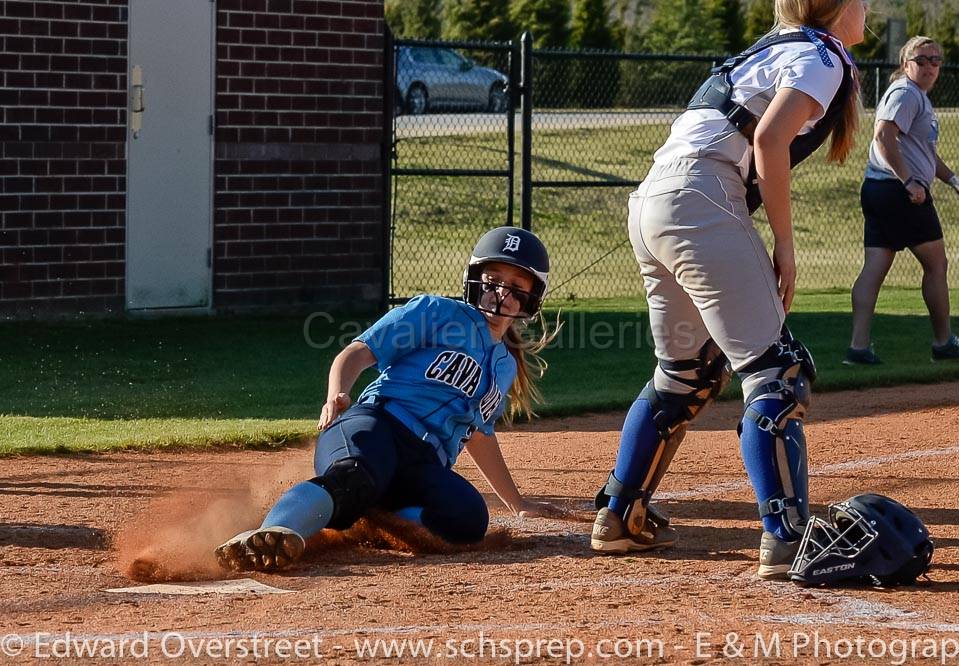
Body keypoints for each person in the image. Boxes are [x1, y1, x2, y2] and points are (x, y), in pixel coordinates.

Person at [590, 0, 867, 580]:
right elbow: (768, 141)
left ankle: (620, 516)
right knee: (777, 371)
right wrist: (785, 245)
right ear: (834, 7)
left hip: (653, 203)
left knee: (685, 375)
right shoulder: (822, 53)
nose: (867, 7)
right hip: (702, 197)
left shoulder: (767, 51)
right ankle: (788, 537)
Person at [215, 226, 564, 572]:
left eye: (516, 287)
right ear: (473, 280)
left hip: (422, 463)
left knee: (467, 518)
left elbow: (478, 433)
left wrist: (517, 503)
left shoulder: (503, 364)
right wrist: (337, 393)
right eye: (492, 281)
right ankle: (274, 533)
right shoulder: (437, 312)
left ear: (532, 299)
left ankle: (371, 516)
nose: (501, 294)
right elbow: (357, 352)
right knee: (354, 476)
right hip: (376, 425)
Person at [845, 36, 959, 365]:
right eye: (921, 60)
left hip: (882, 189)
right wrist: (908, 181)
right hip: (899, 192)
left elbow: (925, 154)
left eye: (936, 60)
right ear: (906, 64)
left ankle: (858, 348)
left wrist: (954, 181)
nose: (930, 66)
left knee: (875, 268)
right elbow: (882, 136)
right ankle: (943, 341)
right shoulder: (906, 93)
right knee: (937, 265)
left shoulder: (916, 96)